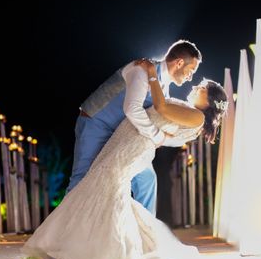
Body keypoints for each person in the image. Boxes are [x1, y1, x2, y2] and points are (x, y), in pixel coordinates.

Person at [22, 61, 228, 259]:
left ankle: (93, 250)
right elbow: (165, 128)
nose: (195, 87)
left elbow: (161, 108)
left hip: (131, 149)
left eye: (202, 89)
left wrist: (151, 74)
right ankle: (92, 246)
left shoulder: (197, 116)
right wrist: (160, 136)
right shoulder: (193, 114)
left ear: (210, 101)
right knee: (105, 190)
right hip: (125, 142)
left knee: (106, 188)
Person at [68, 40, 202, 215]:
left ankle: (144, 234)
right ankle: (63, 234)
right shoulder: (141, 69)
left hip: (123, 137)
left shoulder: (164, 90)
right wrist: (157, 136)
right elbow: (132, 109)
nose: (190, 77)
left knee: (146, 179)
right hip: (97, 124)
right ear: (179, 63)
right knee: (82, 177)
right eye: (191, 71)